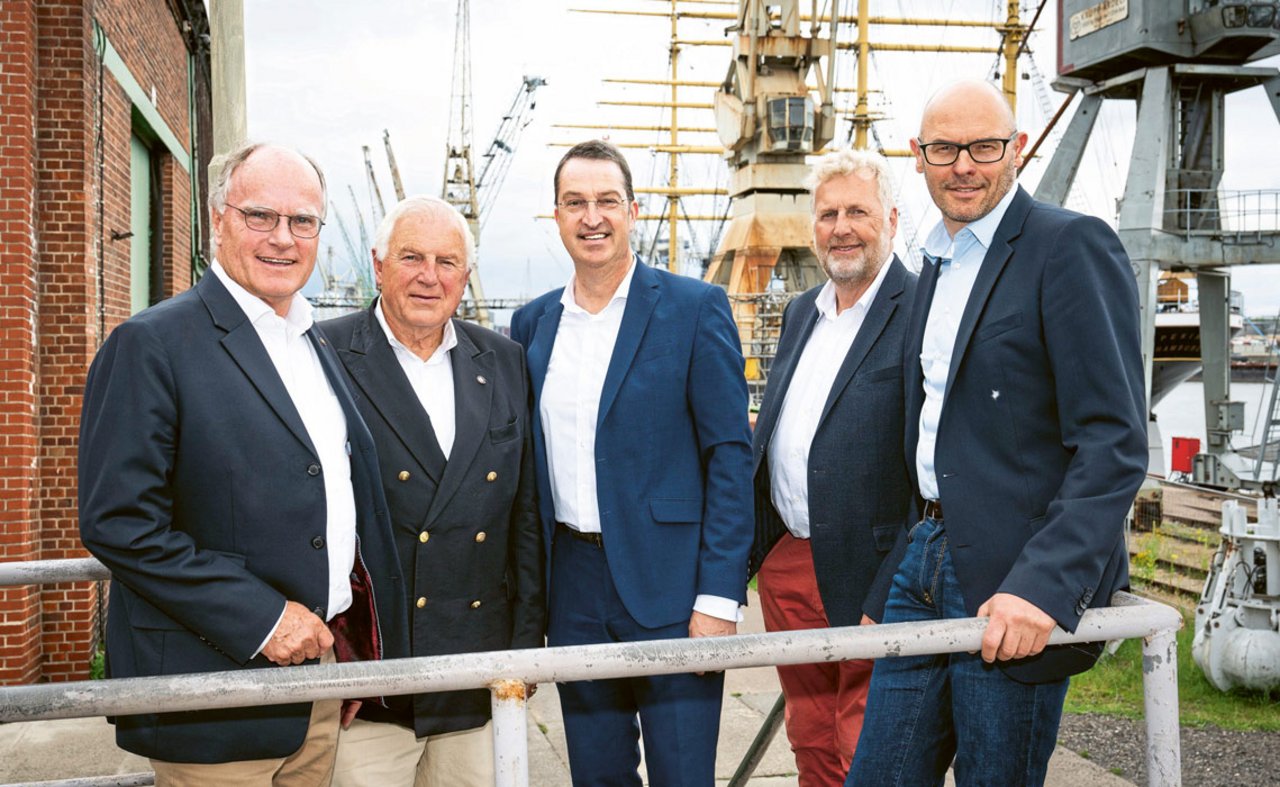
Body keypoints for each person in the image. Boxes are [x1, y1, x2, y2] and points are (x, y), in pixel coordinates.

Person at [846, 80, 1148, 786]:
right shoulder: (934, 265)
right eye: (944, 149)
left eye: (983, 147)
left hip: (1012, 578)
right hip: (924, 560)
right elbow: (933, 434)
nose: (963, 166)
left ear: (1017, 148)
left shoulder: (1068, 246)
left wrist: (1042, 586)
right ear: (918, 155)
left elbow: (1113, 441)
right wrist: (891, 580)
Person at [78, 142, 408, 784]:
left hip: (318, 685)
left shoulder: (312, 341)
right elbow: (119, 523)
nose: (283, 238)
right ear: (217, 219)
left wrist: (353, 647)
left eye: (303, 220)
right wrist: (263, 619)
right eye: (260, 215)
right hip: (212, 699)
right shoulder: (151, 344)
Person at [509, 139, 753, 786]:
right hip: (573, 589)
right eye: (575, 202)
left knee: (682, 775)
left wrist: (719, 595)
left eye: (607, 201)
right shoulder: (532, 325)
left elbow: (730, 458)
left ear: (633, 210)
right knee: (596, 776)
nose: (592, 217)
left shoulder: (695, 308)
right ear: (556, 215)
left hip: (673, 586)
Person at [322, 195, 544, 787]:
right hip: (368, 678)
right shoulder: (324, 353)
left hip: (477, 670)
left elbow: (524, 516)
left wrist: (526, 649)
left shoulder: (503, 360)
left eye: (447, 262)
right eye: (411, 257)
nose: (429, 276)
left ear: (465, 276)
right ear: (378, 265)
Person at [747, 148, 915, 787]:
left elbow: (933, 467)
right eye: (827, 215)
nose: (841, 228)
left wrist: (891, 587)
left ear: (891, 220)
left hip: (875, 570)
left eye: (857, 212)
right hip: (792, 560)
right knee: (811, 735)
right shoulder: (802, 312)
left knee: (866, 744)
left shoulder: (921, 310)